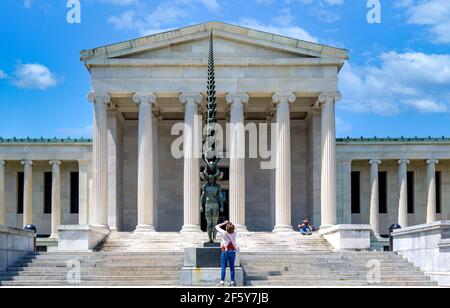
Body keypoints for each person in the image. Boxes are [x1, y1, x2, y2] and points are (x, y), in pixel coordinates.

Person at [215, 220, 238, 287]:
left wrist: (224, 223)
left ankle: (222, 283)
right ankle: (232, 282)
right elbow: (235, 229)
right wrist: (231, 224)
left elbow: (216, 226)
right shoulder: (235, 233)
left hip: (225, 251)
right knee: (232, 268)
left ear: (226, 228)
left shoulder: (224, 233)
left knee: (223, 267)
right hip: (232, 251)